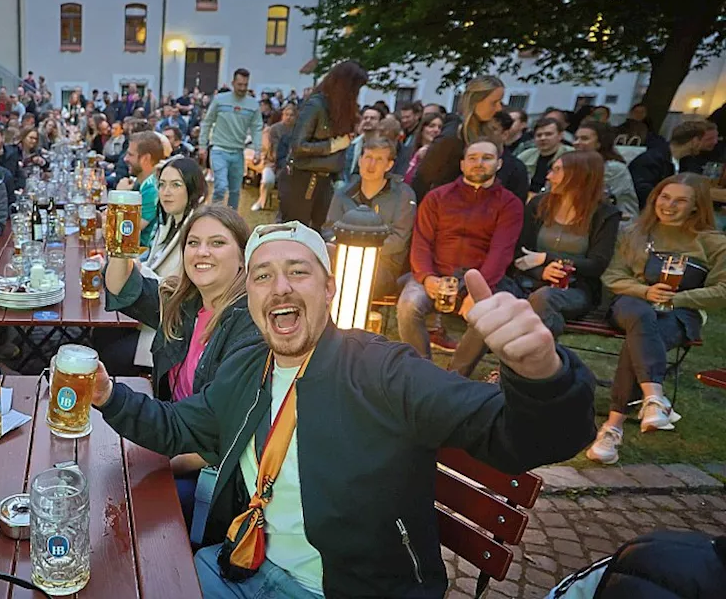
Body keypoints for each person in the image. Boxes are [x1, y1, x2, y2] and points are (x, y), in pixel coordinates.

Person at [91, 219, 595, 598]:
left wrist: (541, 374)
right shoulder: (249, 366)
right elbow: (182, 426)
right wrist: (108, 396)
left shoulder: (381, 371)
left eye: (298, 272)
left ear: (329, 289)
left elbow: (522, 438)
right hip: (246, 568)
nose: (281, 286)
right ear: (252, 293)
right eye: (264, 275)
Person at [103, 204, 261, 521]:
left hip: (213, 474)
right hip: (170, 438)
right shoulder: (183, 303)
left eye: (217, 243)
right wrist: (120, 243)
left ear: (243, 257)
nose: (202, 252)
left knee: (124, 499)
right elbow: (121, 287)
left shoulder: (249, 325)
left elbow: (224, 434)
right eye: (193, 242)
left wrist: (163, 462)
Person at [590, 174, 726, 464]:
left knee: (635, 344)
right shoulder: (637, 233)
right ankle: (653, 399)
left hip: (679, 314)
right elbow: (613, 276)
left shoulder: (713, 243)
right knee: (640, 315)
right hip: (631, 304)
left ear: (695, 206)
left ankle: (613, 427)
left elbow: (722, 291)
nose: (669, 205)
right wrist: (645, 291)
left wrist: (676, 299)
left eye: (680, 200)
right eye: (664, 197)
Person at [451, 151, 621, 378]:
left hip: (573, 290)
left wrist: (547, 259)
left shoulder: (605, 214)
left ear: (580, 175)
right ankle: (454, 375)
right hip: (528, 281)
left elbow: (597, 264)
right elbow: (520, 253)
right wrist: (542, 270)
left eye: (557, 170)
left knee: (544, 299)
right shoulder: (540, 204)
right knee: (494, 302)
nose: (549, 176)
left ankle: (508, 375)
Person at [398, 139, 523, 359]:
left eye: (487, 158)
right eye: (472, 158)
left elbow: (501, 252)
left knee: (486, 315)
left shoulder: (509, 204)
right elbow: (421, 243)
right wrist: (427, 278)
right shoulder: (437, 197)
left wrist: (479, 289)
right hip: (436, 273)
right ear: (462, 164)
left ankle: (457, 376)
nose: (479, 163)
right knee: (409, 305)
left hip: (481, 277)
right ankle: (420, 369)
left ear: (499, 164)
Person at [321, 136, 416, 299]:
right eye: (368, 157)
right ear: (359, 160)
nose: (371, 165)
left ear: (389, 165)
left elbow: (399, 239)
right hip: (343, 258)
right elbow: (329, 229)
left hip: (383, 265)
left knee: (355, 282)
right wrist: (347, 253)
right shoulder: (344, 193)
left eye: (379, 160)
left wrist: (362, 253)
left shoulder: (403, 195)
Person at [280, 61, 367, 227]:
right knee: (297, 233)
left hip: (325, 181)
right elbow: (298, 146)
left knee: (316, 232)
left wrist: (339, 178)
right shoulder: (316, 105)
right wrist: (332, 145)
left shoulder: (339, 109)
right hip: (304, 180)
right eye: (355, 89)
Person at [411, 75, 505, 199]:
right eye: (494, 103)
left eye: (500, 102)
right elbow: (424, 178)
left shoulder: (487, 132)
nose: (499, 108)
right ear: (475, 101)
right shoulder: (453, 136)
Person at [197, 68, 265, 209]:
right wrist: (202, 145)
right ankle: (214, 214)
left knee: (235, 191)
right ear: (233, 83)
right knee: (221, 186)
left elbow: (257, 128)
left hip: (238, 151)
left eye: (245, 85)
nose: (242, 88)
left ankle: (231, 219)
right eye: (239, 84)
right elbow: (207, 122)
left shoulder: (253, 104)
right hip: (219, 149)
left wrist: (258, 150)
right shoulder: (220, 100)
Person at [629, 119, 712, 209]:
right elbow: (643, 192)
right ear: (694, 141)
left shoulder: (687, 161)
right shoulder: (650, 160)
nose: (713, 143)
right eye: (705, 140)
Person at [574, 119, 639, 220]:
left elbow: (596, 199)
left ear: (600, 143)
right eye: (576, 138)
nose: (577, 143)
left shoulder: (614, 168)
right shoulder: (577, 164)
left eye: (584, 138)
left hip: (620, 224)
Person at [116, 131, 165, 248]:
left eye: (130, 155)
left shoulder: (152, 189)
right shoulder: (142, 182)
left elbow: (125, 232)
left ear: (146, 159)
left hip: (143, 254)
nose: (125, 159)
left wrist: (120, 196)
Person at [518, 118, 573, 194]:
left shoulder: (571, 155)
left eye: (548, 134)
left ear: (560, 135)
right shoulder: (527, 155)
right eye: (539, 135)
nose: (543, 138)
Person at [341, 106, 384, 184]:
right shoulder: (353, 145)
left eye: (372, 118)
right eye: (365, 118)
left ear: (380, 123)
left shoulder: (385, 147)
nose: (368, 120)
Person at [401, 112, 445, 186]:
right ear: (422, 129)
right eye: (431, 126)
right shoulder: (407, 152)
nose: (436, 130)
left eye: (440, 127)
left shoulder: (442, 156)